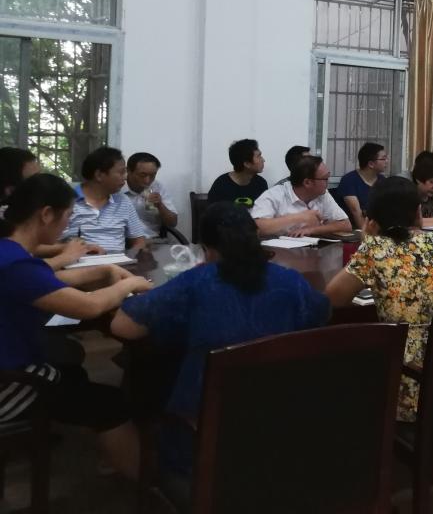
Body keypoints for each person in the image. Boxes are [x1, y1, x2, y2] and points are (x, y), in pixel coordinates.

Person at [111, 202, 330, 489]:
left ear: (207, 249)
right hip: (280, 422)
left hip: (203, 434)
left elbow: (122, 326)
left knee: (151, 374)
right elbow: (321, 313)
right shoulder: (289, 280)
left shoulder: (196, 281)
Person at [0, 173, 151, 479]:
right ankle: (145, 481)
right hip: (8, 382)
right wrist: (130, 284)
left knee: (73, 372)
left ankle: (114, 452)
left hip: (14, 362)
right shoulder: (15, 264)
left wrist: (105, 270)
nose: (67, 226)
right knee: (111, 403)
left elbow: (48, 280)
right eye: (67, 216)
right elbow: (89, 306)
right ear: (46, 214)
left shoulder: (10, 251)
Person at [325, 177, 433, 422]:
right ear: (418, 212)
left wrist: (367, 242)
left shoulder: (375, 249)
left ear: (372, 220)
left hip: (406, 379)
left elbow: (332, 299)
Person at [60, 146, 150, 253]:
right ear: (99, 175)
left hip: (119, 262)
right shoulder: (67, 201)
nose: (125, 177)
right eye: (121, 172)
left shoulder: (123, 201)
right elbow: (53, 245)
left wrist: (129, 257)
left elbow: (139, 241)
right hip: (80, 261)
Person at [251, 155, 352, 237]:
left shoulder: (322, 194)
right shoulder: (275, 195)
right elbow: (255, 228)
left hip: (312, 250)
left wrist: (312, 230)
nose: (328, 182)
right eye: (325, 178)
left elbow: (346, 225)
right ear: (307, 182)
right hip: (278, 252)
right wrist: (299, 217)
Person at [331, 142, 388, 230]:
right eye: (383, 159)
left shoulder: (383, 180)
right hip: (353, 230)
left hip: (377, 228)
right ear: (371, 164)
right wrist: (367, 235)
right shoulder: (349, 180)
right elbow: (356, 212)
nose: (387, 161)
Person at [122, 152, 178, 234]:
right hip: (123, 239)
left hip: (154, 238)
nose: (147, 181)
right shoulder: (117, 187)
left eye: (152, 175)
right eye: (142, 175)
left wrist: (160, 205)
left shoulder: (157, 187)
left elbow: (173, 223)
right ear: (128, 171)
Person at [207, 139, 268, 208]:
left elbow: (264, 211)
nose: (263, 160)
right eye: (259, 156)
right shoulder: (221, 185)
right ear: (247, 164)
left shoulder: (261, 183)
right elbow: (212, 213)